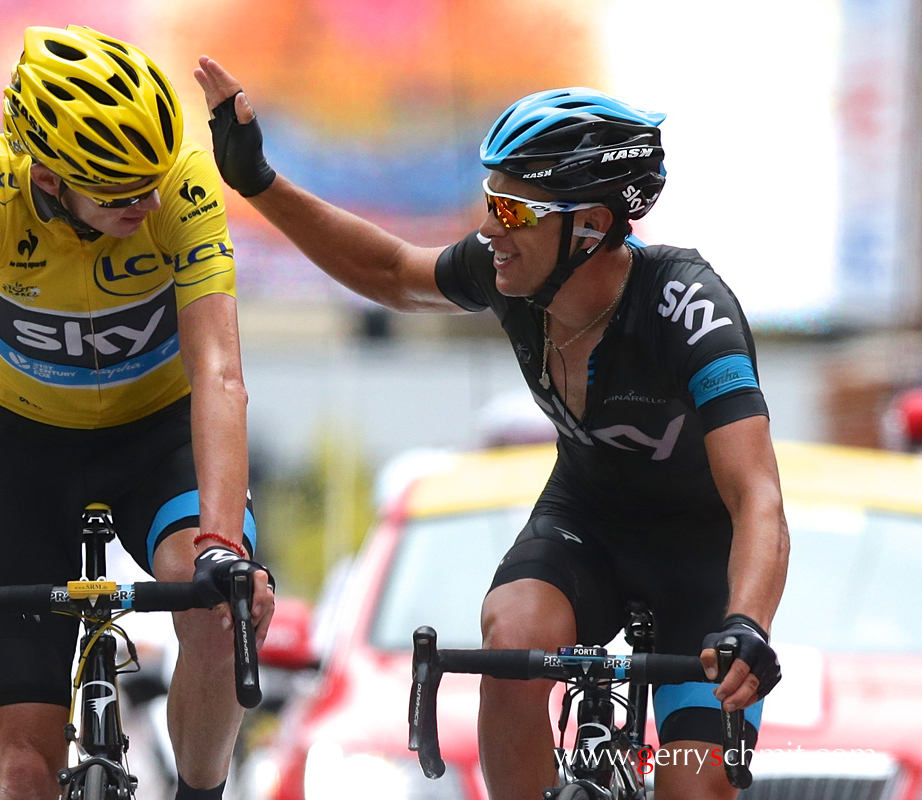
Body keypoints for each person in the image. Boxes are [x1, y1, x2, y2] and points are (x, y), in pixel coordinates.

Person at [194, 60, 788, 800]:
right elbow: (389, 272)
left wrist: (747, 623)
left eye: (511, 210)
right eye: (489, 200)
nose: (486, 230)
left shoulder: (691, 314)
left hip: (701, 559)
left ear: (592, 226)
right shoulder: (512, 273)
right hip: (588, 521)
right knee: (510, 649)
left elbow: (758, 496)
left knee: (693, 789)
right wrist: (257, 182)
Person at [0, 27, 274, 800]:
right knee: (25, 769)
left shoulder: (183, 187)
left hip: (157, 437)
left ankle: (201, 791)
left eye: (152, 181)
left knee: (212, 606)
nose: (149, 202)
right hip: (21, 451)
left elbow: (219, 374)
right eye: (120, 193)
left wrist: (222, 546)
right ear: (46, 174)